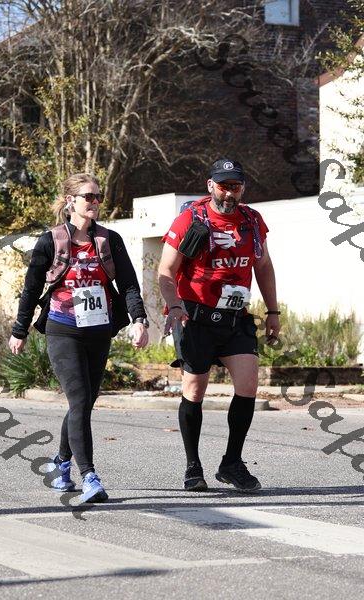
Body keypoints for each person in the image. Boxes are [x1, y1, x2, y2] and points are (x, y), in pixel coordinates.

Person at [9, 173, 149, 503]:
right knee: (80, 400)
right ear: (71, 201)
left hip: (99, 330)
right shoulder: (51, 240)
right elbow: (31, 288)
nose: (95, 202)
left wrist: (139, 319)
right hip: (62, 329)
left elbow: (129, 284)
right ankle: (89, 476)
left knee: (82, 404)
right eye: (89, 197)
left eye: (98, 197)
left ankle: (60, 463)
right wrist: (19, 330)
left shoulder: (109, 240)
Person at [158, 158, 280, 493]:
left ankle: (231, 463)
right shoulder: (191, 219)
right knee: (194, 389)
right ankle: (193, 466)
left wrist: (273, 311)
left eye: (235, 186)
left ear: (243, 188)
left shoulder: (252, 221)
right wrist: (175, 306)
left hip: (236, 316)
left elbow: (263, 266)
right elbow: (166, 270)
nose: (229, 193)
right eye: (224, 186)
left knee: (248, 384)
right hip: (195, 316)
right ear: (211, 185)